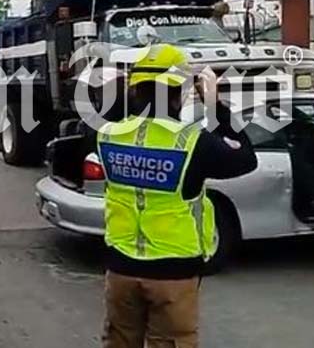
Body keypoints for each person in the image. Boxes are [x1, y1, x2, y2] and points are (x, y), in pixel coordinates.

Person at [97, 44, 257, 348]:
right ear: (178, 94)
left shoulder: (107, 134)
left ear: (135, 90)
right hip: (173, 273)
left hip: (120, 269)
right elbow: (247, 158)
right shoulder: (193, 142)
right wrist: (216, 106)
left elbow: (117, 115)